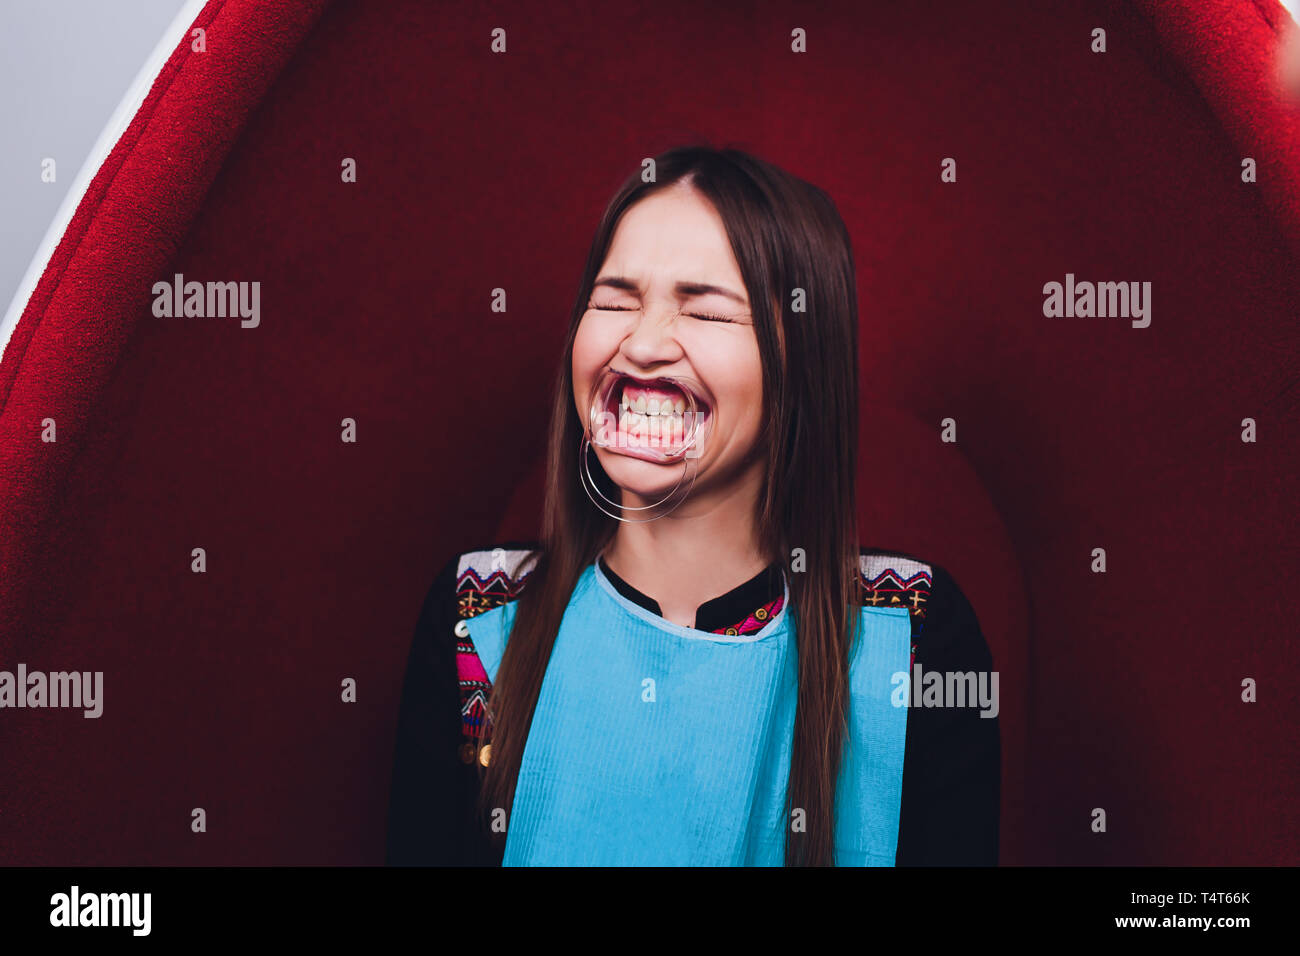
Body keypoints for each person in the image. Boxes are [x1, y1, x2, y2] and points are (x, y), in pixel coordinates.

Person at [386, 144, 1000, 866]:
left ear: (803, 364)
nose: (640, 344)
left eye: (705, 312)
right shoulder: (475, 616)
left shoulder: (916, 634)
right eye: (614, 301)